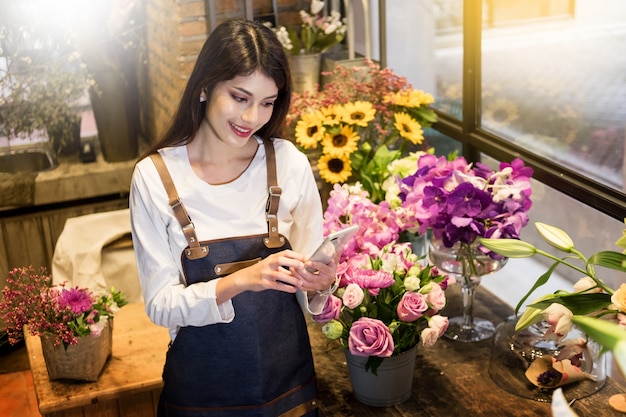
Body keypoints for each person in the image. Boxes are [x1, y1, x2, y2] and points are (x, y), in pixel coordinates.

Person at [129, 19, 338, 417]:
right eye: (240, 97)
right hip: (199, 398)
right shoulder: (155, 178)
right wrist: (244, 280)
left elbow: (312, 286)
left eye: (267, 102)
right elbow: (161, 305)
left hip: (289, 392)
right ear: (205, 86)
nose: (252, 117)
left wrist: (321, 283)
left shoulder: (288, 164)